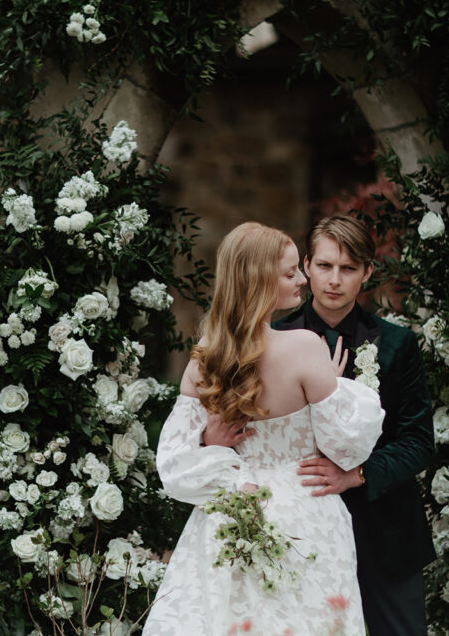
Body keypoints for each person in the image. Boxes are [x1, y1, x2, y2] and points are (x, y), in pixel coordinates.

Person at [143, 222, 384, 636]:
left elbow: (175, 466)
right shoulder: (307, 347)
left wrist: (209, 447)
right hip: (306, 514)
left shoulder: (204, 362)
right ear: (258, 281)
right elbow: (346, 444)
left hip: (230, 514)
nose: (304, 279)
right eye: (291, 272)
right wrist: (337, 386)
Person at [273, 214, 436, 636]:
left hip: (385, 530)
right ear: (307, 266)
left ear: (367, 272)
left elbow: (418, 441)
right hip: (297, 529)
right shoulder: (270, 338)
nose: (334, 280)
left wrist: (357, 474)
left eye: (348, 269)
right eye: (325, 266)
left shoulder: (399, 345)